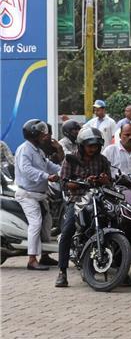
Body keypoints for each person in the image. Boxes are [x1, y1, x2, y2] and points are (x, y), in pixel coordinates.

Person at [55, 127, 113, 287]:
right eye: (90, 146)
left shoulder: (102, 160)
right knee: (67, 231)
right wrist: (82, 182)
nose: (93, 149)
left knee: (114, 223)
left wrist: (103, 180)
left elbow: (109, 180)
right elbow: (64, 182)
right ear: (81, 145)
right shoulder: (70, 159)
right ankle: (62, 271)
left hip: (97, 199)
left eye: (96, 146)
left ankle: (119, 267)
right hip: (78, 199)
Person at [13, 119, 61, 271]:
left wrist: (63, 171)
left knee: (47, 223)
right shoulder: (24, 149)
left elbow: (49, 165)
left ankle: (45, 255)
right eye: (41, 134)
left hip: (39, 195)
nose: (44, 136)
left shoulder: (38, 151)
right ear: (33, 134)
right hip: (27, 195)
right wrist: (46, 176)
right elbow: (26, 169)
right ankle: (32, 259)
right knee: (36, 223)